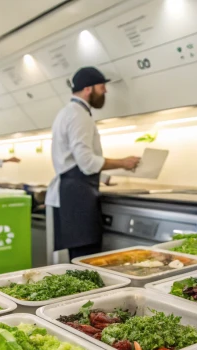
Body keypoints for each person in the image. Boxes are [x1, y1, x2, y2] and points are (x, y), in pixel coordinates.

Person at [46, 67, 141, 259]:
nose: (105, 91)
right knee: (85, 257)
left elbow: (76, 160)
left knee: (80, 257)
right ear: (88, 89)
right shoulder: (78, 115)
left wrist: (103, 177)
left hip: (73, 192)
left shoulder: (69, 112)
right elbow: (86, 161)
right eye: (102, 86)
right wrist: (123, 162)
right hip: (76, 196)